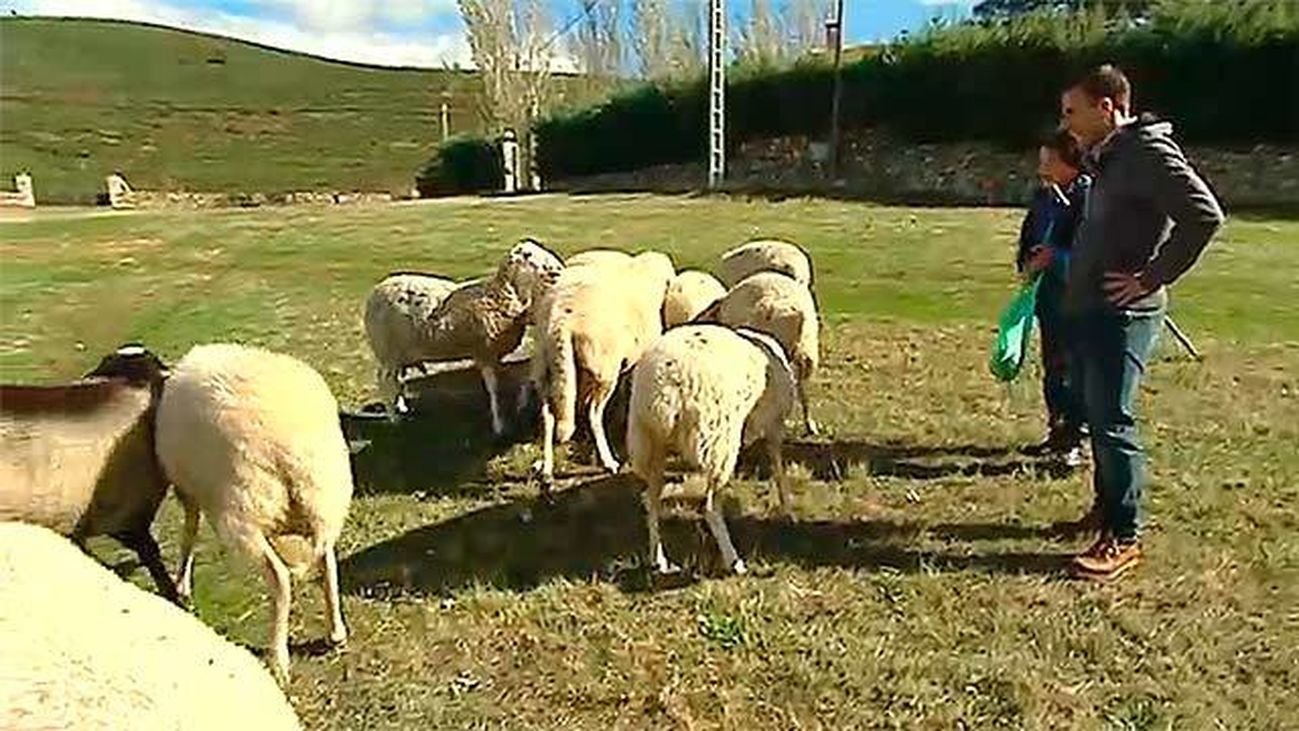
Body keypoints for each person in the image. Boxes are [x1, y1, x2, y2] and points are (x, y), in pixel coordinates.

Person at [1058, 64, 1224, 582]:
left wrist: (1150, 277)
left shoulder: (1148, 152)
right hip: (1089, 309)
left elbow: (1204, 214)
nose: (1065, 124)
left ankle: (1124, 537)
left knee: (1112, 419)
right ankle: (1107, 510)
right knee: (1095, 412)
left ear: (1106, 107)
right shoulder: (1108, 157)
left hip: (1122, 314)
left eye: (1072, 112)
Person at [1015, 129, 1090, 468]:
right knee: (1054, 366)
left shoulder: (1087, 196)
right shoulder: (1044, 196)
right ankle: (1057, 431)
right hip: (1048, 295)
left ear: (1069, 162)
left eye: (1049, 161)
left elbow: (1090, 252)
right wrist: (1027, 262)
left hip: (1077, 296)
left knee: (1075, 369)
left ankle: (1075, 438)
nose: (1042, 168)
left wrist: (1055, 258)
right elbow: (1031, 233)